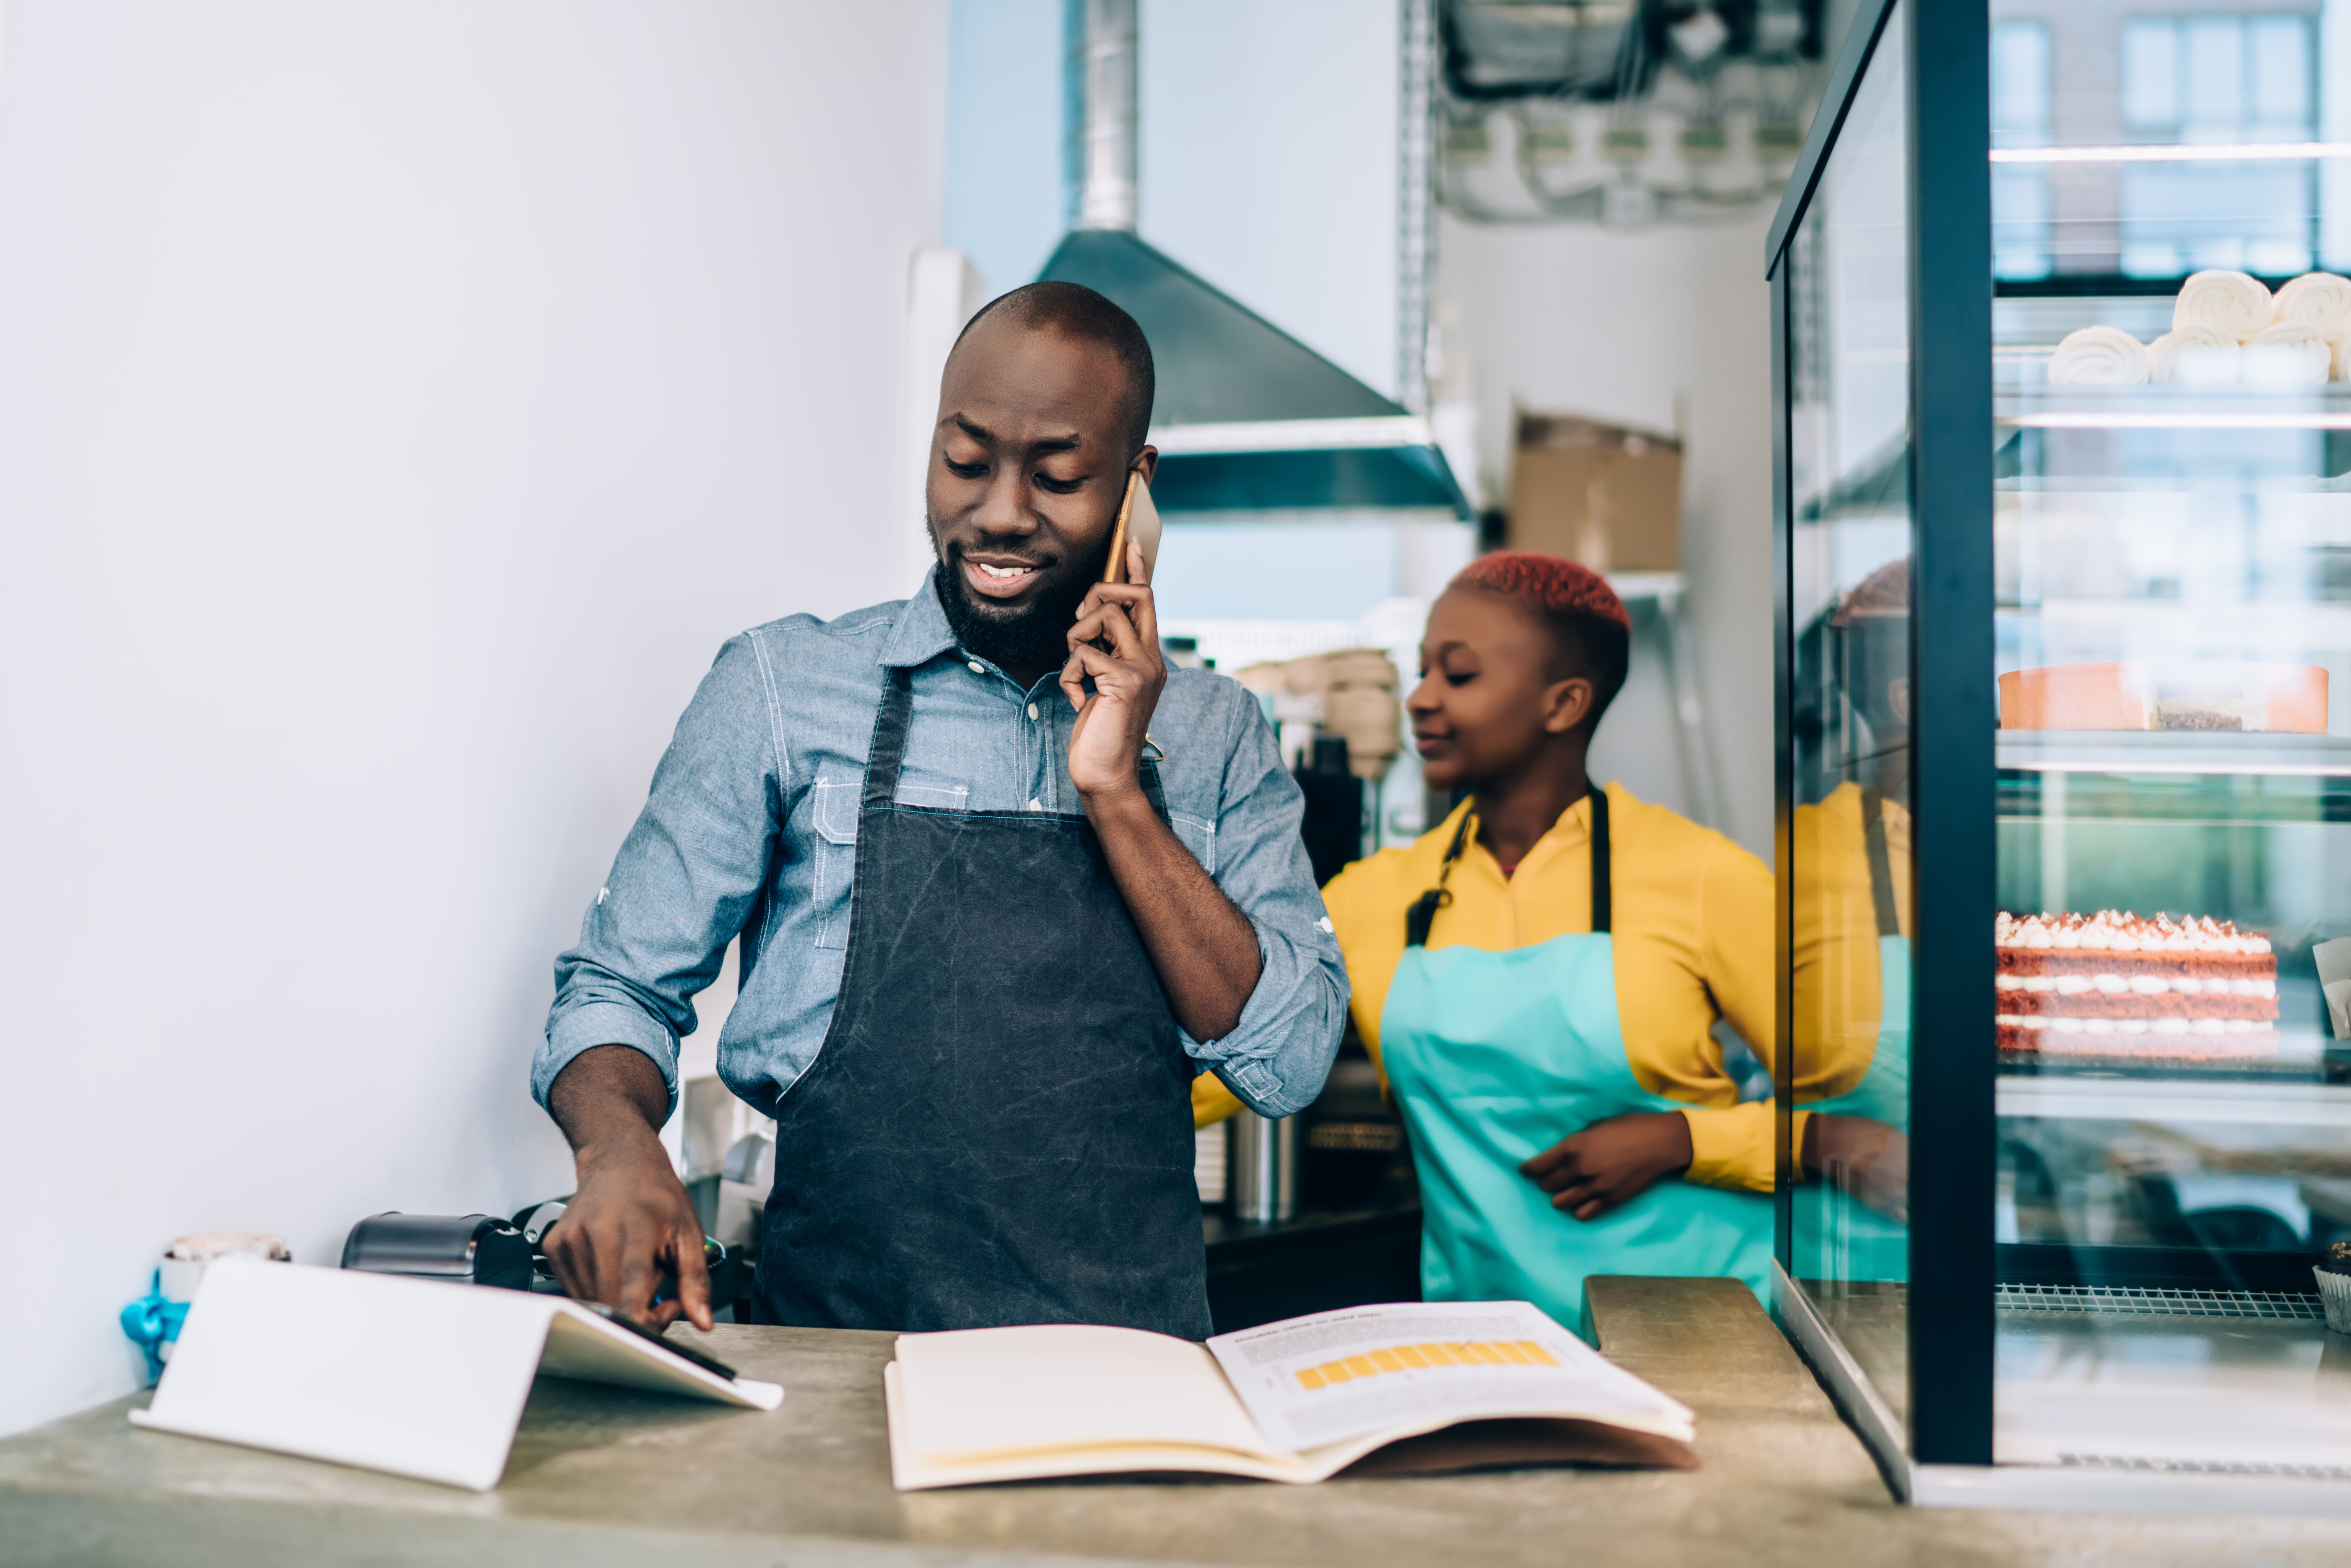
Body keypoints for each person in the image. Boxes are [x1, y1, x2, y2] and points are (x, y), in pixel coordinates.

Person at [532, 281, 1346, 1338]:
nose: (1000, 511)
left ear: (1138, 489)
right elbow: (617, 984)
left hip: (1129, 1383)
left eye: (1057, 476)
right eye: (965, 460)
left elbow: (1288, 1063)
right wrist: (618, 1150)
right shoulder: (782, 688)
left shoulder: (1217, 733)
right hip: (841, 1362)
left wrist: (1117, 790)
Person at [1206, 553, 1779, 1332]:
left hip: (1711, 1334)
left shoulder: (1704, 875)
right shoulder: (1372, 898)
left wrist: (1686, 1138)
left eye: (1460, 675)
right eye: (1421, 672)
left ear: (1564, 702)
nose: (1421, 699)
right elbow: (1222, 1068)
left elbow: (1862, 1120)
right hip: (1496, 1340)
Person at [1788, 557, 1912, 1282]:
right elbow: (1692, 1092)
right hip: (1847, 1281)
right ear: (1907, 696)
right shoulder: (1819, 854)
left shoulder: (2024, 841)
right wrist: (1828, 1139)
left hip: (2016, 1263)